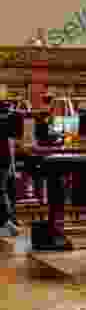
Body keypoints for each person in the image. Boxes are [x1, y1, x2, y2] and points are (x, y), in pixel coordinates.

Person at [0, 101, 20, 236]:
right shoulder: (9, 123)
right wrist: (12, 167)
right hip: (5, 162)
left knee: (1, 191)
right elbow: (10, 146)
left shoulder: (6, 124)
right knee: (2, 191)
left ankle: (7, 221)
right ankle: (8, 220)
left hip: (2, 162)